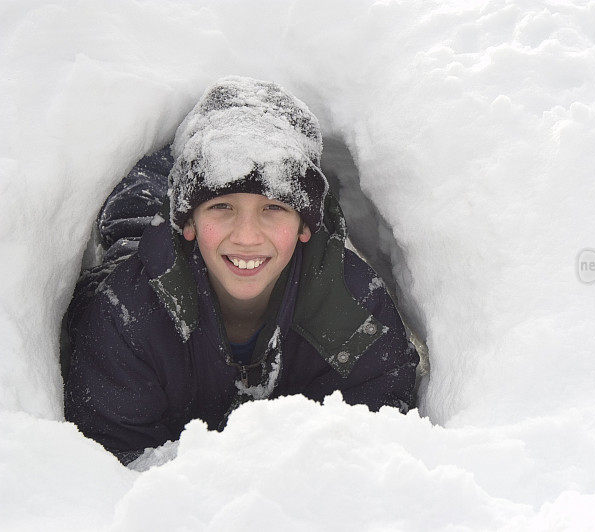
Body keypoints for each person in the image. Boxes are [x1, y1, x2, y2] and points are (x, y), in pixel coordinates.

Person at [63, 77, 419, 464]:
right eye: (222, 206)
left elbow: (377, 439)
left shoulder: (356, 308)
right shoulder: (126, 314)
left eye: (273, 208)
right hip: (149, 246)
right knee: (133, 215)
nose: (247, 236)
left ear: (305, 226)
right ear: (188, 221)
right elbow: (114, 460)